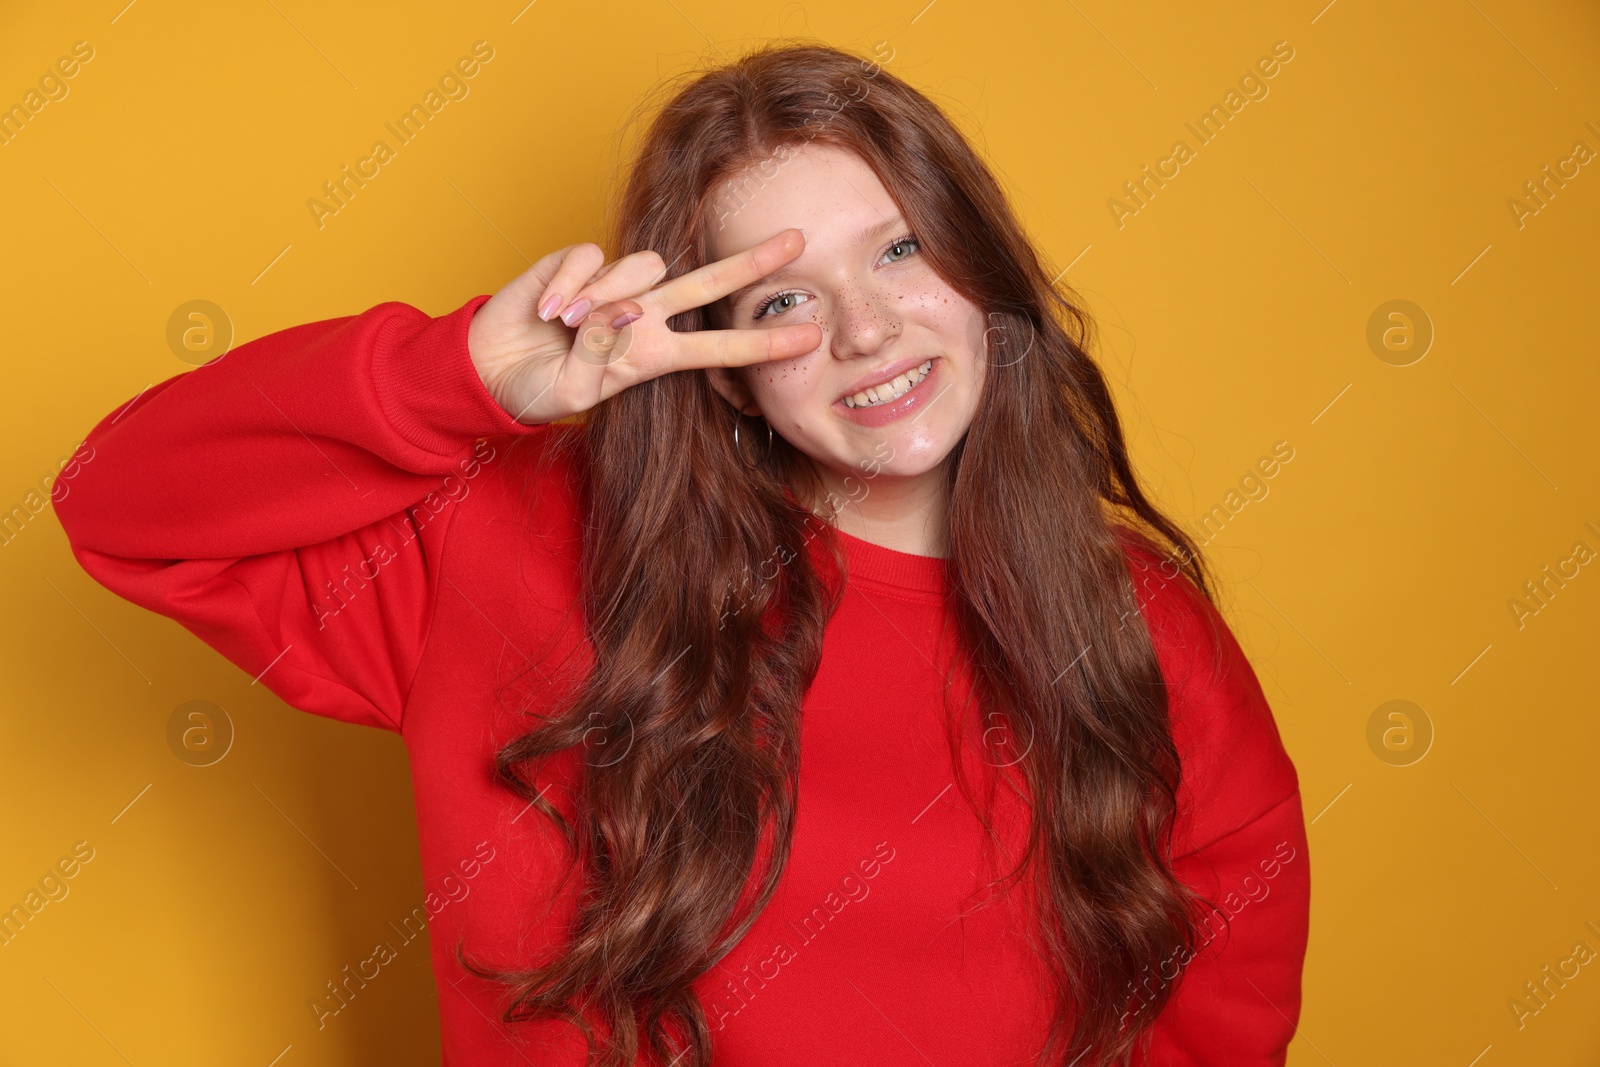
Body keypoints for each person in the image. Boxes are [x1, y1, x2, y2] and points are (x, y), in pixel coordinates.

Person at [54, 41, 1309, 1067]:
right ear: (715, 364)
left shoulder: (1135, 614)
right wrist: (464, 378)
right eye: (783, 299)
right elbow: (122, 501)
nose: (867, 328)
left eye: (899, 248)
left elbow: (1231, 937)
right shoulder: (513, 548)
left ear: (986, 270)